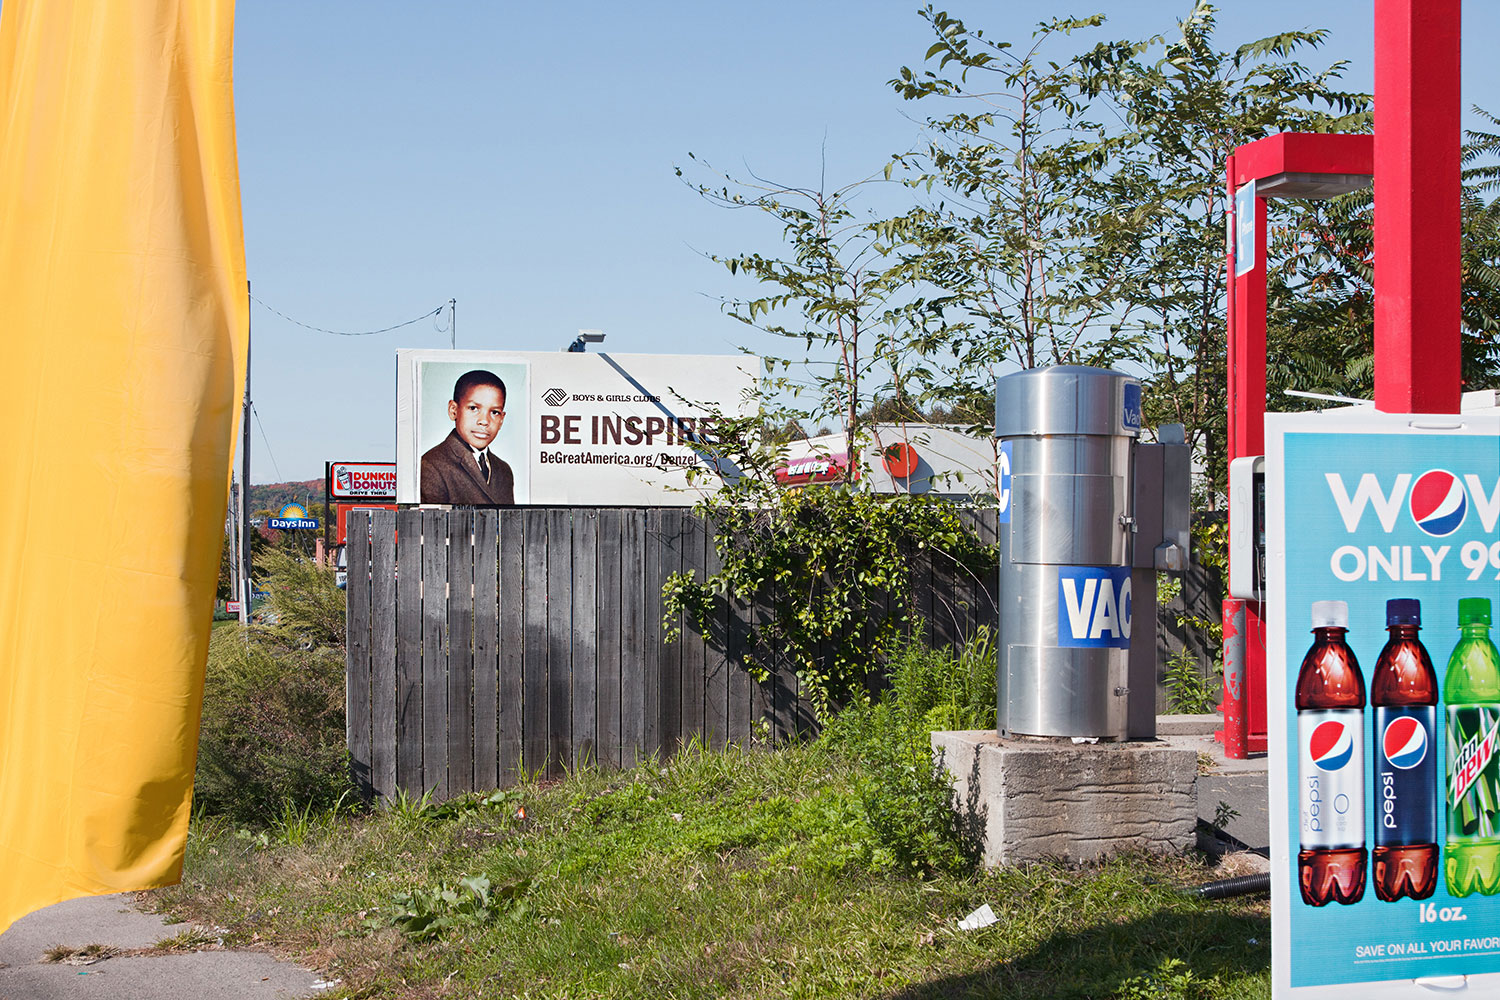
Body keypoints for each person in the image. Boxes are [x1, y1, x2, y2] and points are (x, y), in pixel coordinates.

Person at [420, 369, 516, 505]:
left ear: (501, 419)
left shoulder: (504, 470)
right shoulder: (432, 466)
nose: (484, 421)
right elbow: (433, 523)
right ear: (453, 410)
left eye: (494, 412)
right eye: (473, 408)